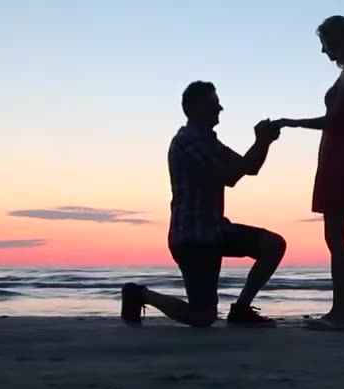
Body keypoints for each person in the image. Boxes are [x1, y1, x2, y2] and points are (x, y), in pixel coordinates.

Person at [120, 81, 286, 328]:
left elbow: (249, 168)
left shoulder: (209, 141)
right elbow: (231, 176)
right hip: (193, 238)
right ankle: (140, 294)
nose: (220, 108)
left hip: (215, 230)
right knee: (203, 316)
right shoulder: (187, 142)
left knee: (273, 244)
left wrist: (264, 142)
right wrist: (261, 141)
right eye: (213, 103)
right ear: (193, 108)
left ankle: (241, 309)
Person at [276, 15, 344, 331]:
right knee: (335, 239)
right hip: (335, 159)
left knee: (337, 239)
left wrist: (291, 123)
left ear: (337, 41)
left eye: (325, 44)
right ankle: (341, 310)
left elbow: (335, 120)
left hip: (340, 161)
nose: (323, 51)